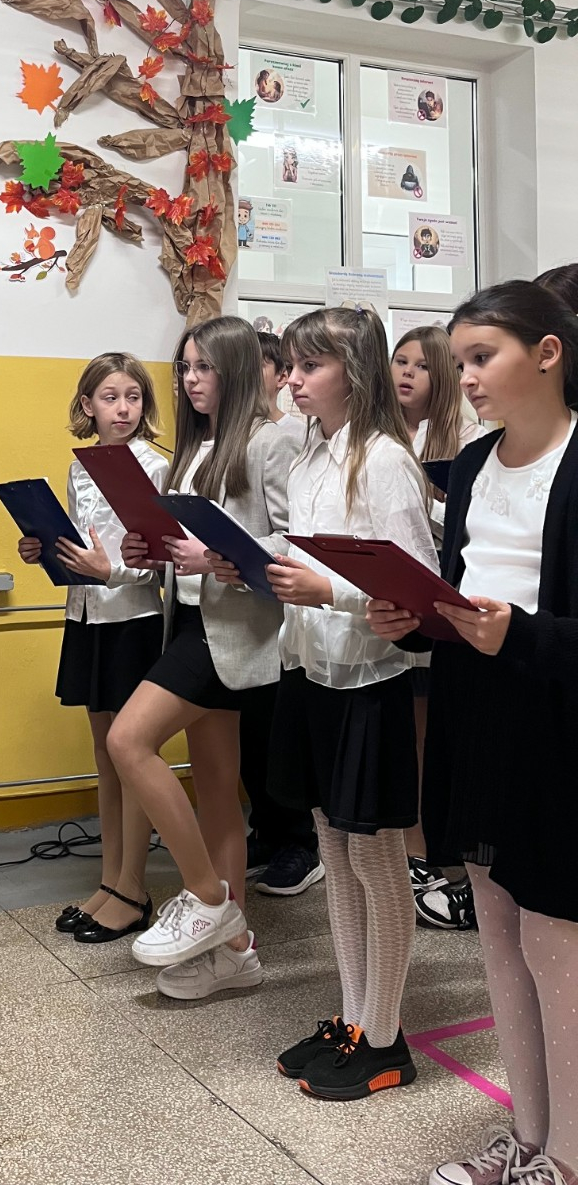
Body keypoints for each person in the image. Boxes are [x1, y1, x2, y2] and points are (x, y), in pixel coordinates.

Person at [370, 282, 578, 1185]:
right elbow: (462, 594)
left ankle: (567, 1154)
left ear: (548, 353)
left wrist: (518, 635)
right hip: (475, 710)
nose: (467, 379)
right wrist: (413, 622)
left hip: (556, 722)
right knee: (497, 929)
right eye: (459, 364)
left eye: (482, 357)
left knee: (556, 943)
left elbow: (529, 620)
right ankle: (526, 1136)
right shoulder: (478, 461)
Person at [260, 305, 436, 1100]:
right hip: (313, 671)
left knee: (374, 858)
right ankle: (354, 1017)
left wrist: (326, 590)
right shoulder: (309, 458)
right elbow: (306, 555)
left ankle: (387, 1039)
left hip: (368, 679)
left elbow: (413, 587)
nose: (293, 380)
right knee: (333, 851)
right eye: (292, 366)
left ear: (353, 373)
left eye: (310, 366)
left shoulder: (385, 461)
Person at [109, 317, 302, 999]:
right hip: (190, 620)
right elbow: (179, 548)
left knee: (127, 740)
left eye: (204, 367)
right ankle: (235, 952)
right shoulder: (193, 449)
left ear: (236, 369)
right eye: (185, 367)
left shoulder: (271, 440)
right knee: (218, 790)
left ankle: (208, 898)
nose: (191, 379)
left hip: (232, 631)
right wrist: (148, 552)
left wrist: (217, 556)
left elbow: (291, 542)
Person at [20, 353, 167, 944]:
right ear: (88, 405)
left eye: (133, 396)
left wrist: (111, 572)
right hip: (86, 616)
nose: (123, 408)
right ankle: (110, 881)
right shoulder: (79, 467)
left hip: (134, 620)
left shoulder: (155, 465)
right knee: (105, 759)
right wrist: (45, 551)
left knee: (131, 758)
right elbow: (79, 547)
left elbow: (157, 561)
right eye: (110, 397)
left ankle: (134, 888)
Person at [391, 324, 487, 930]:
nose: (406, 374)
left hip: (447, 604)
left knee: (431, 739)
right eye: (399, 362)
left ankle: (436, 856)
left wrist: (425, 499)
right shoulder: (383, 436)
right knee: (407, 736)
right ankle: (414, 853)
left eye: (422, 365)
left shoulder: (466, 439)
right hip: (398, 608)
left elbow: (464, 529)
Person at [240, 328, 322, 896]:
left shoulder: (287, 437)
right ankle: (268, 830)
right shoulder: (232, 435)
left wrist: (236, 551)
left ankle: (298, 841)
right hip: (242, 598)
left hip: (280, 604)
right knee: (250, 735)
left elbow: (292, 531)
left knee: (273, 732)